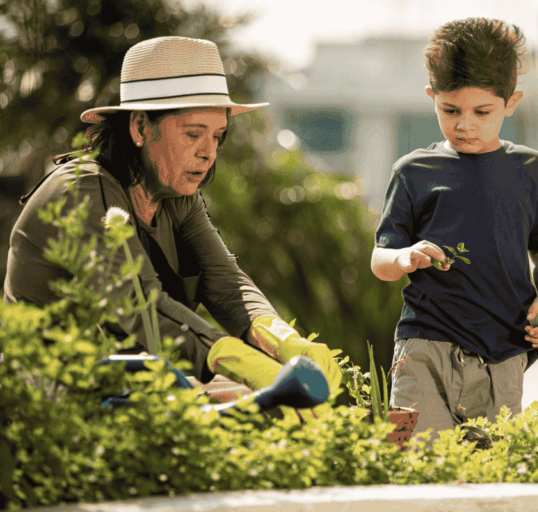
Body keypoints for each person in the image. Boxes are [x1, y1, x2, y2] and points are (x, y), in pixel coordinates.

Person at [3, 36, 340, 416]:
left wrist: (283, 339)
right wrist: (243, 364)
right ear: (140, 128)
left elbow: (226, 282)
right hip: (47, 405)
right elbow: (140, 306)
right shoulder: (81, 191)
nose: (209, 151)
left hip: (129, 386)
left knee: (280, 409)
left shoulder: (177, 197)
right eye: (193, 134)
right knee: (262, 407)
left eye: (217, 136)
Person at [371, 18, 538, 437]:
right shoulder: (412, 171)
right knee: (414, 466)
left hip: (503, 354)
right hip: (423, 348)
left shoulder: (532, 171)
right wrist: (405, 257)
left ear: (510, 102)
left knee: (491, 477)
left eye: (482, 112)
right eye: (450, 110)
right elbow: (380, 260)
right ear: (432, 98)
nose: (465, 124)